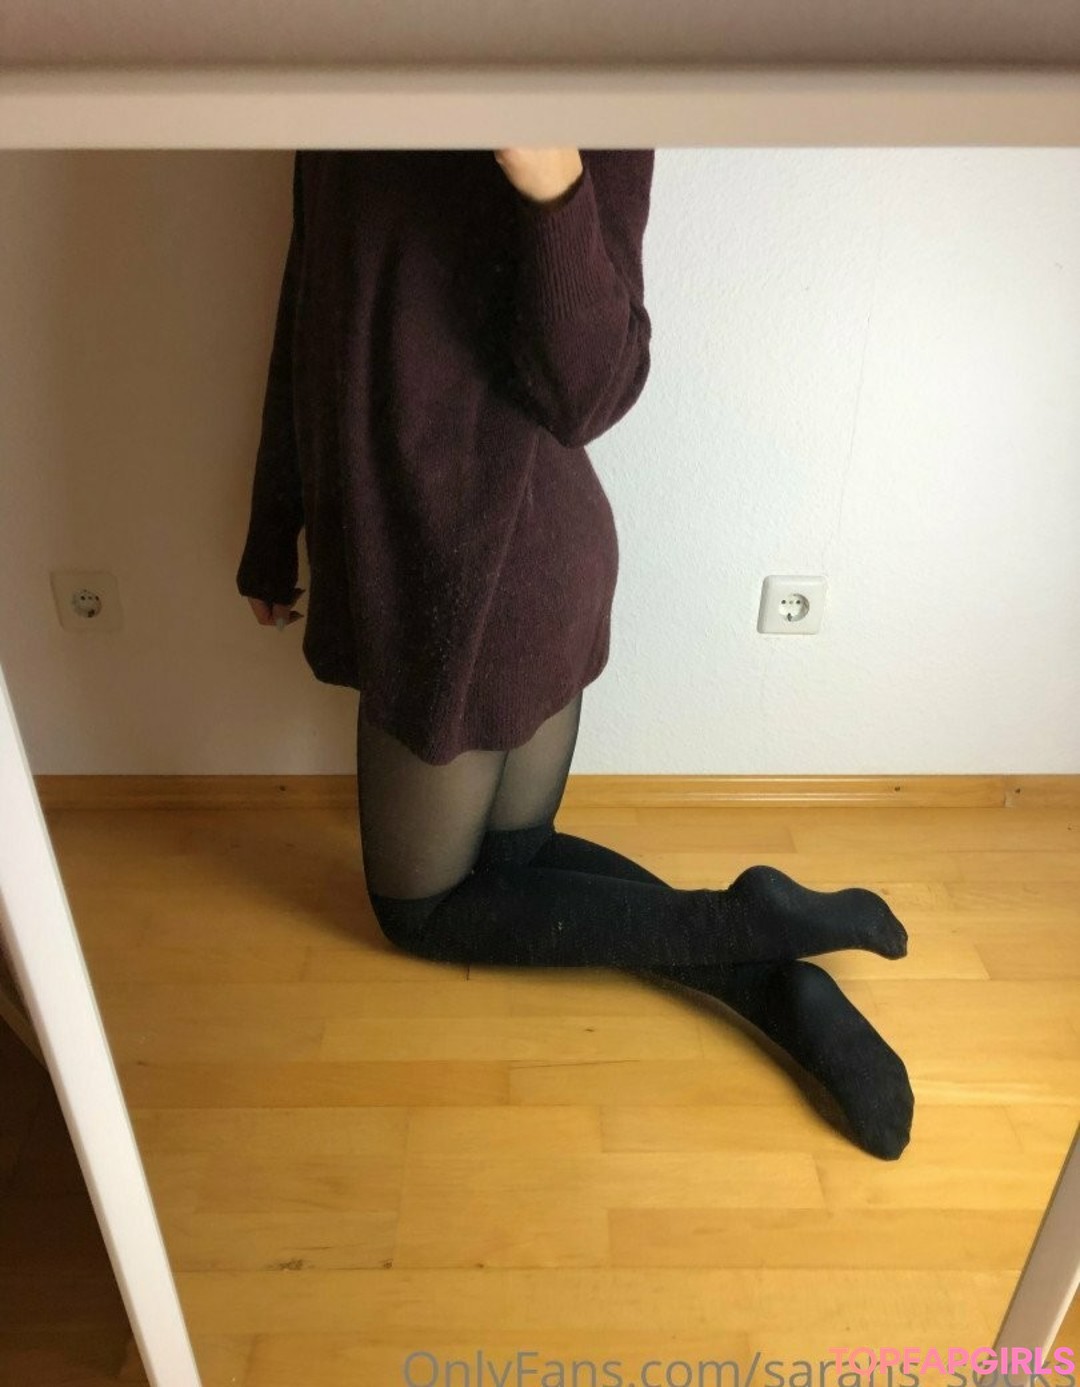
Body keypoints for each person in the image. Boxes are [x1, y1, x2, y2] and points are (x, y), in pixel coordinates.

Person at [237, 148, 914, 1160]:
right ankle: (775, 977)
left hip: (494, 582)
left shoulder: (586, 99)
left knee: (421, 910)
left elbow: (590, 389)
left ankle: (740, 928)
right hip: (432, 559)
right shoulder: (353, 78)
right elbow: (309, 301)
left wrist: (552, 180)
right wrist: (274, 519)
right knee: (516, 864)